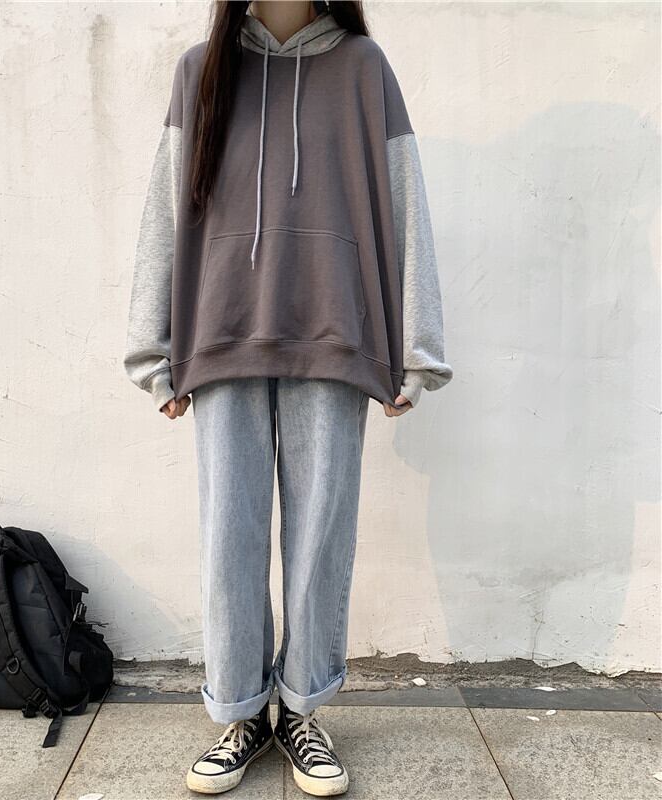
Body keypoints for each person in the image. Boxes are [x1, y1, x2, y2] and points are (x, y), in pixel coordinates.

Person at [123, 1, 452, 795]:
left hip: (334, 333)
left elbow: (404, 200)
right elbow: (166, 207)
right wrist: (153, 352)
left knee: (320, 539)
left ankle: (302, 710)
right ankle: (241, 711)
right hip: (222, 334)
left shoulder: (364, 70)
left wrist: (416, 352)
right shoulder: (201, 71)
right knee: (229, 541)